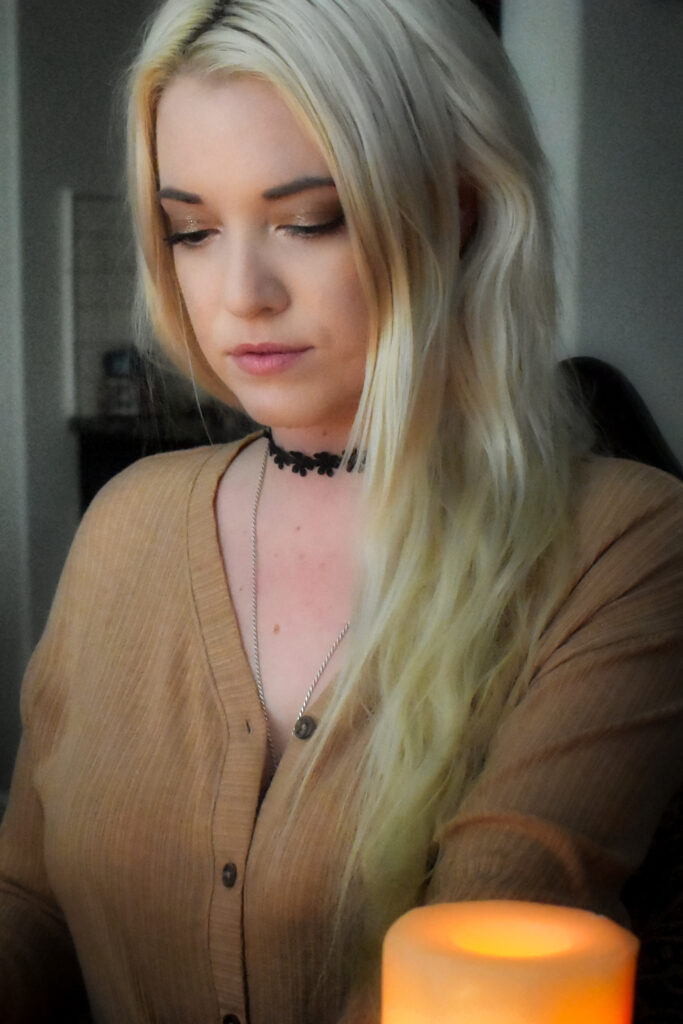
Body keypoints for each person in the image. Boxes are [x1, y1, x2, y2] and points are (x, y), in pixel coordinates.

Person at [1, 0, 682, 1021]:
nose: (240, 293)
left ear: (459, 211)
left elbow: (494, 929)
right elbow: (31, 900)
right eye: (192, 230)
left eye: (308, 219)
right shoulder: (126, 522)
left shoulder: (622, 543)